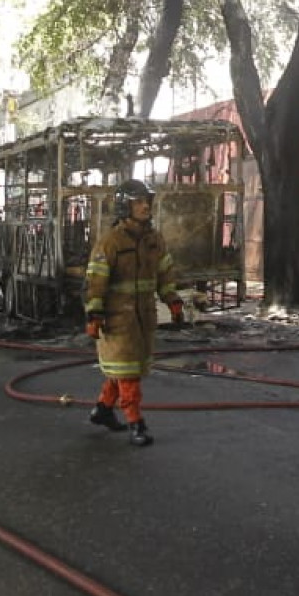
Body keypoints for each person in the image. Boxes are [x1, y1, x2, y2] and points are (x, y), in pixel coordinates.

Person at [83, 179, 178, 447]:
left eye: (146, 200)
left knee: (125, 369)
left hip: (144, 317)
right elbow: (95, 282)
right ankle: (136, 423)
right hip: (118, 319)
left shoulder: (154, 240)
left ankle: (102, 411)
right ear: (125, 206)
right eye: (138, 202)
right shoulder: (110, 243)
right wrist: (94, 315)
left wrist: (172, 300)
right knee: (128, 374)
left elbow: (165, 273)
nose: (145, 206)